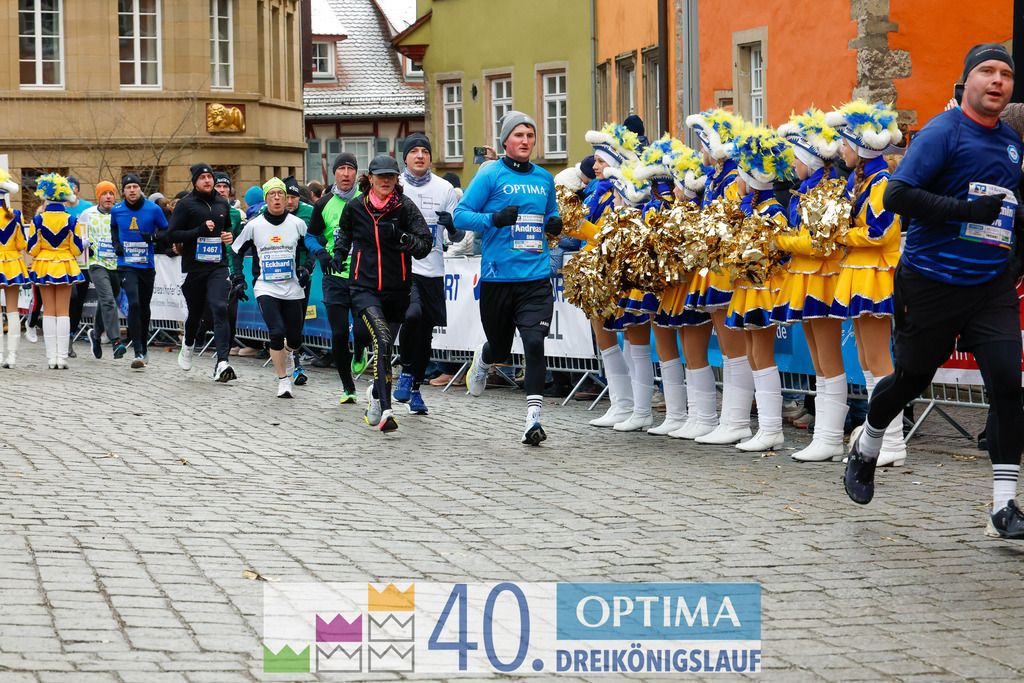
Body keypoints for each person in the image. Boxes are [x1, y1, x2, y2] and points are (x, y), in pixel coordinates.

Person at [845, 45, 1024, 539]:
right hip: (930, 281)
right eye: (986, 72)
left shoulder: (1011, 142)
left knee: (1008, 383)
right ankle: (868, 443)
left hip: (989, 285)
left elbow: (1011, 207)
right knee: (910, 379)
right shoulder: (943, 133)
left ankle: (1004, 506)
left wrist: (1014, 259)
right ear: (965, 81)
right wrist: (965, 213)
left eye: (1005, 74)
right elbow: (896, 195)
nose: (997, 81)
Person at [454, 111, 563, 445]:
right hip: (498, 278)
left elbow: (551, 213)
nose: (526, 141)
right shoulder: (491, 174)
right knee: (500, 347)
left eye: (530, 135)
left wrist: (554, 224)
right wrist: (495, 218)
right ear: (505, 141)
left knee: (533, 342)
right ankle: (484, 359)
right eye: (519, 135)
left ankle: (533, 420)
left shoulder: (544, 178)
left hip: (535, 276)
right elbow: (461, 216)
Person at [824, 100, 906, 467]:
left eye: (845, 143)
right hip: (857, 271)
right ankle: (879, 437)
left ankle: (893, 441)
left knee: (879, 357)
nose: (841, 149)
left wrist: (840, 233)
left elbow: (879, 231)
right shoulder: (858, 180)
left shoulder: (882, 181)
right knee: (864, 358)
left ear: (860, 146)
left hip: (874, 273)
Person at [333, 155, 432, 432]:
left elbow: (425, 244)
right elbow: (345, 235)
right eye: (381, 176)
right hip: (363, 287)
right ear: (371, 178)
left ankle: (376, 398)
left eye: (391, 176)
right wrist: (339, 254)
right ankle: (387, 411)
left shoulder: (405, 207)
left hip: (398, 289)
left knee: (385, 347)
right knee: (383, 340)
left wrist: (401, 238)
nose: (386, 180)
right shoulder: (356, 206)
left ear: (397, 179)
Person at [773, 109, 849, 462]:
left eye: (795, 156)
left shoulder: (828, 189)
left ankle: (831, 436)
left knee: (828, 358)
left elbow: (821, 243)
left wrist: (783, 242)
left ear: (808, 158)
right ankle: (825, 436)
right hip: (807, 277)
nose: (791, 162)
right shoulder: (805, 190)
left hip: (822, 278)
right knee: (818, 360)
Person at [723, 125, 796, 452]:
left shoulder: (772, 210)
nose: (735, 181)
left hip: (764, 288)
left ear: (751, 179)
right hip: (748, 286)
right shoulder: (750, 208)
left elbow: (779, 252)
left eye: (740, 175)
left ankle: (771, 429)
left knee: (762, 355)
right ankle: (766, 428)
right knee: (754, 353)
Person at [683, 110, 753, 445]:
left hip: (725, 266)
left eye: (703, 145)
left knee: (734, 346)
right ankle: (726, 418)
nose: (701, 153)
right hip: (714, 264)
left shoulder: (729, 179)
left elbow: (730, 222)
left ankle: (737, 419)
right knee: (727, 348)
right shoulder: (717, 178)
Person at [393, 133, 463, 414]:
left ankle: (416, 388)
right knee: (412, 317)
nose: (420, 156)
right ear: (406, 158)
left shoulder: (444, 188)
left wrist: (453, 227)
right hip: (402, 268)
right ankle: (406, 372)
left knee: (425, 333)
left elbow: (458, 237)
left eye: (425, 151)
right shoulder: (394, 185)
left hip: (433, 269)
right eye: (414, 151)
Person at [231, 178, 309, 398]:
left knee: (294, 339)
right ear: (266, 199)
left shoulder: (296, 223)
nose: (277, 198)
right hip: (266, 287)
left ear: (286, 198)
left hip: (293, 288)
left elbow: (312, 245)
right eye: (272, 194)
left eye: (280, 194)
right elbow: (236, 251)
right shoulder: (254, 225)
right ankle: (283, 381)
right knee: (276, 333)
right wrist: (238, 278)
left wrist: (307, 266)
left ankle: (291, 354)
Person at [167, 162, 236, 381]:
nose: (207, 180)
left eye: (210, 176)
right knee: (195, 314)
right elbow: (172, 235)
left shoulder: (222, 203)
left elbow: (227, 229)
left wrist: (228, 236)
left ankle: (222, 362)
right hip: (194, 268)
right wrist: (198, 231)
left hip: (217, 266)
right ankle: (188, 345)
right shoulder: (186, 205)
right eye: (202, 177)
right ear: (195, 181)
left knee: (219, 307)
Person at [306, 152, 362, 403]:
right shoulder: (323, 204)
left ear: (356, 174)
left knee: (362, 330)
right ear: (334, 173)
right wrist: (320, 253)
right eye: (342, 169)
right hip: (334, 276)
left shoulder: (367, 199)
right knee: (339, 333)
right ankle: (347, 387)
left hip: (363, 276)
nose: (346, 173)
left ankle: (360, 351)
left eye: (351, 169)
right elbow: (309, 236)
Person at [110, 173, 168, 368]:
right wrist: (116, 244)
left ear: (140, 188)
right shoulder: (117, 210)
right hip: (126, 265)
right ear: (124, 191)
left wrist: (153, 238)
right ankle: (138, 351)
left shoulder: (153, 209)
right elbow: (114, 228)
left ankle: (143, 344)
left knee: (143, 306)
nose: (132, 190)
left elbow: (166, 231)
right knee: (133, 303)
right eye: (128, 187)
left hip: (147, 266)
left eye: (135, 186)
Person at [27, 173, 84, 369]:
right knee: (63, 312)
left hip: (44, 265)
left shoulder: (38, 220)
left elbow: (32, 249)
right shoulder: (71, 219)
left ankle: (51, 358)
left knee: (48, 311)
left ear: (46, 196)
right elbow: (77, 249)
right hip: (65, 265)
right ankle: (62, 357)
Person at [79, 180, 127, 359]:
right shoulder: (87, 214)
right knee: (108, 300)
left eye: (111, 193)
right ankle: (116, 342)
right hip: (96, 263)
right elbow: (79, 234)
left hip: (116, 264)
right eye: (105, 193)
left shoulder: (120, 212)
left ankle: (95, 334)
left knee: (109, 300)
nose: (108, 197)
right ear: (99, 196)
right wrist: (85, 244)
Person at [283, 175, 315, 386]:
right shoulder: (268, 215)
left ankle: (292, 359)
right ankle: (293, 363)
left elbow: (316, 241)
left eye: (293, 197)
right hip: (277, 277)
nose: (289, 201)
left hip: (301, 275)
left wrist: (309, 265)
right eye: (285, 196)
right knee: (284, 323)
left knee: (297, 321)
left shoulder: (309, 213)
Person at [0, 169, 26, 368]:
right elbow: (21, 244)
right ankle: (12, 356)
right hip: (12, 264)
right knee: (13, 310)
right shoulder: (15, 215)